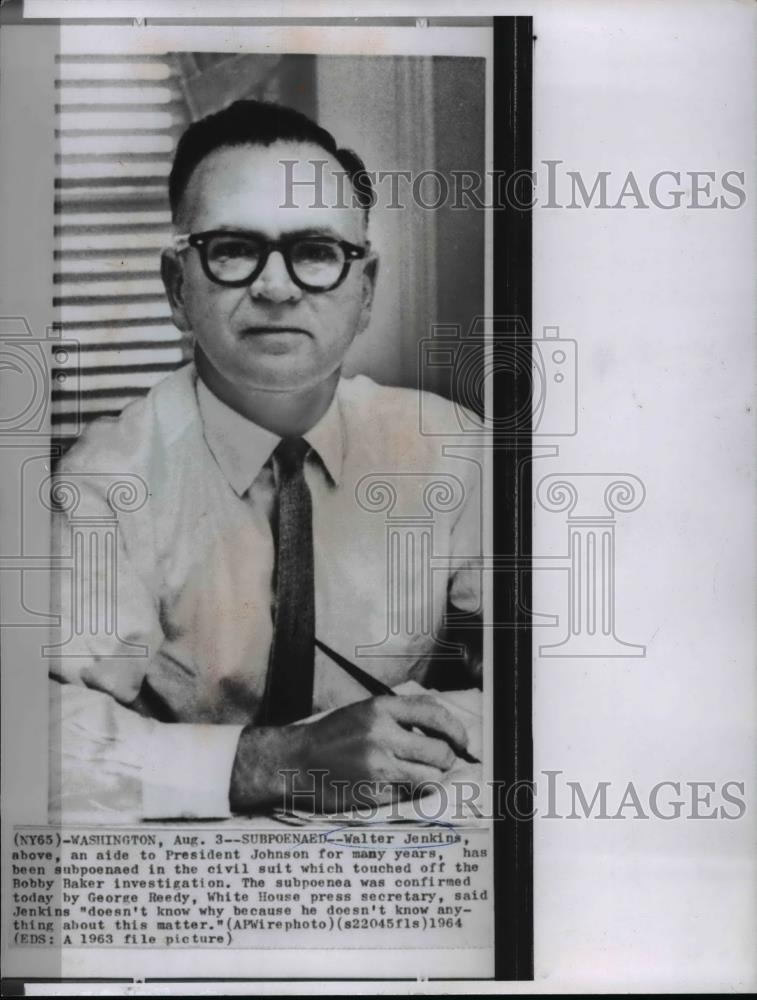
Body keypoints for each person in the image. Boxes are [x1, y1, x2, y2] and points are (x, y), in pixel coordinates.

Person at [49, 99, 483, 823]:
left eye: (315, 250)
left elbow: (563, 681)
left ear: (365, 288)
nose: (276, 287)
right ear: (176, 289)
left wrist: (428, 729)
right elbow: (34, 734)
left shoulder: (452, 449)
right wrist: (272, 762)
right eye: (233, 249)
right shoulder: (103, 482)